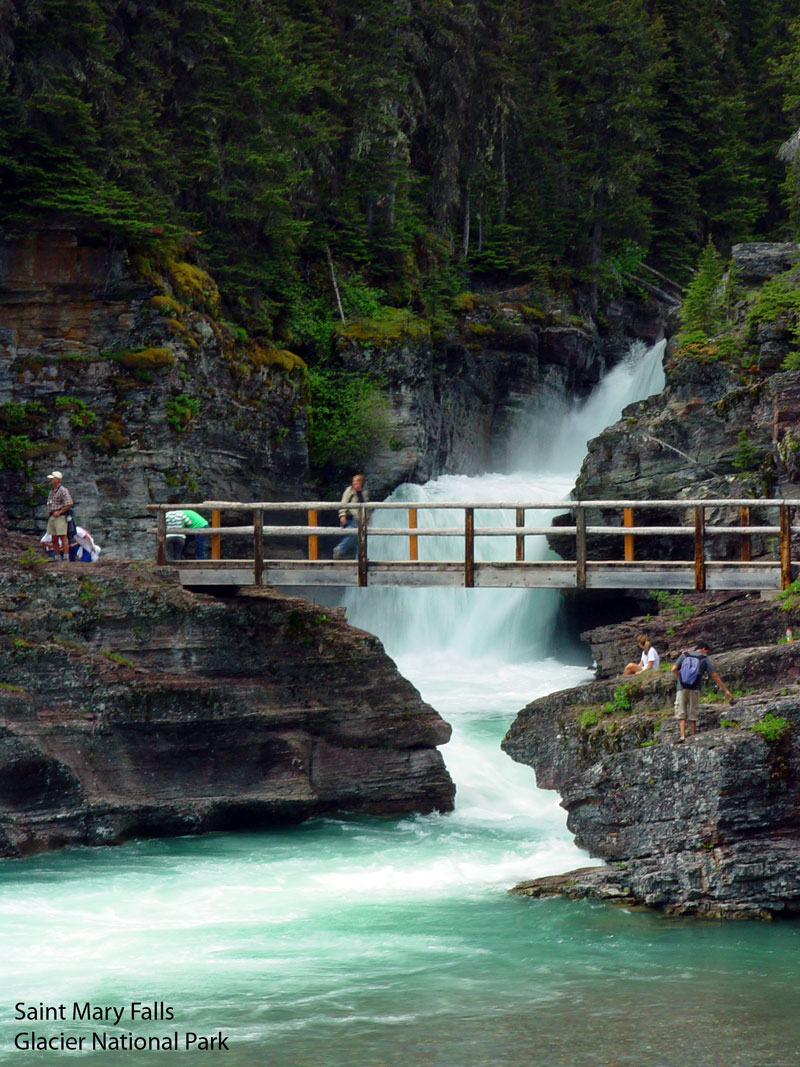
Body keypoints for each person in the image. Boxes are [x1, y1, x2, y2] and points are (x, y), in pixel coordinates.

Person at [671, 638, 735, 742]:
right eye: (707, 651)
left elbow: (673, 669)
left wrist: (681, 677)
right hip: (695, 688)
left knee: (681, 711)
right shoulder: (704, 659)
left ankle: (682, 736)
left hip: (681, 687)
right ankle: (692, 736)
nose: (707, 654)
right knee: (693, 712)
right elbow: (714, 675)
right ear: (704, 649)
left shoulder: (685, 655)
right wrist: (726, 690)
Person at [333, 473, 370, 560]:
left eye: (357, 481)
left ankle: (360, 556)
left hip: (360, 519)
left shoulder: (364, 492)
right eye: (354, 481)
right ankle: (340, 550)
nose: (355, 483)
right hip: (350, 517)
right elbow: (343, 503)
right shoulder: (349, 491)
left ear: (361, 482)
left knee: (361, 538)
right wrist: (342, 515)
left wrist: (367, 518)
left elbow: (366, 505)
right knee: (353, 533)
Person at [44, 471, 73, 561]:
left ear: (57, 479)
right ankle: (57, 558)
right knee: (54, 537)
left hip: (60, 517)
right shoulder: (52, 491)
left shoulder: (63, 490)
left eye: (52, 478)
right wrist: (49, 511)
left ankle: (65, 558)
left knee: (62, 536)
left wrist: (60, 512)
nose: (50, 480)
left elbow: (68, 503)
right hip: (52, 516)